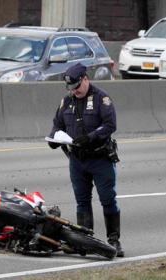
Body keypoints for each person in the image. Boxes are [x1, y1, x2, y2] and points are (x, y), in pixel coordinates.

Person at [47, 63, 124, 257]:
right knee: (82, 202)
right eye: (70, 88)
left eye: (76, 86)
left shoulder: (101, 99)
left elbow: (109, 125)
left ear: (85, 79)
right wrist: (55, 139)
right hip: (77, 160)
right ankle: (85, 241)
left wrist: (90, 137)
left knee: (107, 200)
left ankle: (114, 240)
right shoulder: (66, 102)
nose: (74, 91)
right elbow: (57, 125)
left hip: (100, 158)